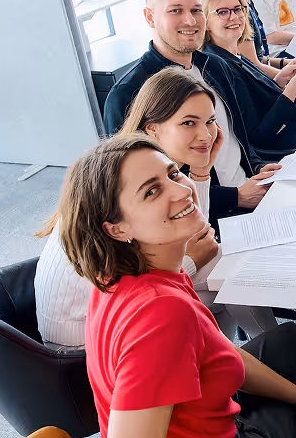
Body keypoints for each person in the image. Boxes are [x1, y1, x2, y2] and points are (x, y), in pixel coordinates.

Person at [57, 134, 296, 438]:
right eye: (151, 191)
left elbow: (219, 351)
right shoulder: (161, 313)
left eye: (172, 173)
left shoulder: (132, 272)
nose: (182, 190)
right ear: (117, 228)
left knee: (291, 343)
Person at [36, 68, 278, 346]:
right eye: (189, 123)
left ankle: (228, 359)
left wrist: (202, 171)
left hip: (110, 302)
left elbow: (194, 227)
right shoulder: (123, 182)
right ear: (152, 128)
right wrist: (192, 260)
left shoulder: (146, 166)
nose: (206, 135)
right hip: (86, 337)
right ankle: (266, 354)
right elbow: (127, 293)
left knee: (221, 268)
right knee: (227, 271)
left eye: (210, 121)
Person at [103, 0, 280, 219]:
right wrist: (235, 196)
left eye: (196, 10)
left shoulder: (217, 66)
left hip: (253, 192)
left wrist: (258, 166)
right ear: (150, 17)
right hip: (205, 218)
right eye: (175, 11)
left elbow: (236, 137)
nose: (190, 21)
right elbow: (137, 188)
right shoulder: (129, 93)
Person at [201, 0, 296, 155]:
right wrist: (293, 88)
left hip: (283, 130)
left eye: (238, 9)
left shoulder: (233, 54)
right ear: (206, 21)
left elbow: (256, 101)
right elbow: (259, 136)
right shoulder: (219, 66)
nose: (234, 17)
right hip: (276, 146)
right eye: (222, 12)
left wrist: (280, 80)